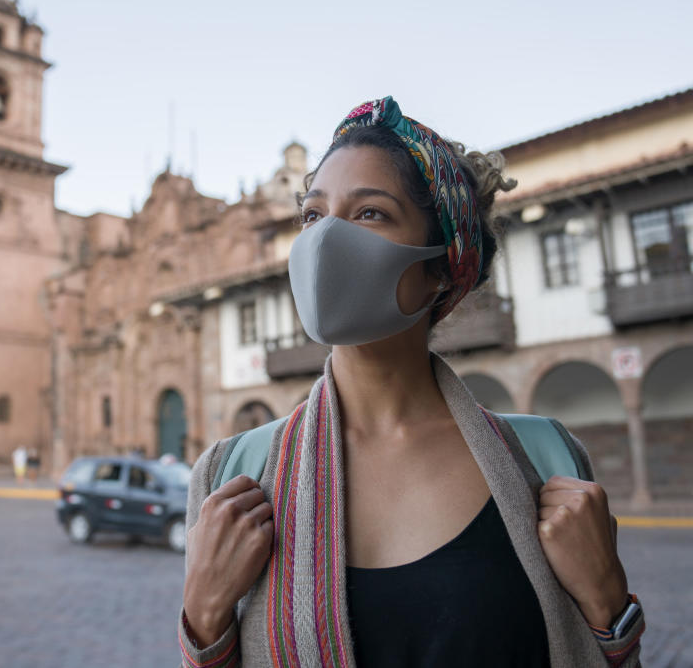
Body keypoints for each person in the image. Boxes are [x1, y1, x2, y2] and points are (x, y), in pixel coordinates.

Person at [178, 98, 644, 668]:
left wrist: (608, 602)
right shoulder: (233, 474)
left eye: (369, 212)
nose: (325, 240)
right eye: (312, 215)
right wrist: (202, 615)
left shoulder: (545, 459)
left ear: (441, 270)